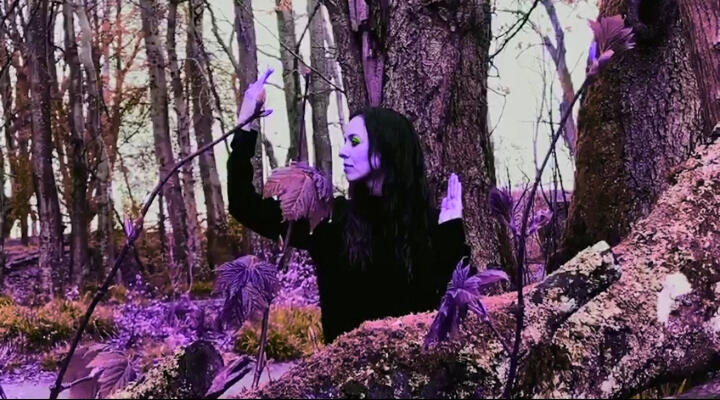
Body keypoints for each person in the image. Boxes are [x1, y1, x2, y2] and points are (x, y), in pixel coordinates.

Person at [227, 69, 470, 343]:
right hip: (346, 370)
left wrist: (451, 234)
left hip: (415, 368)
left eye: (354, 141)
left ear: (387, 150)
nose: (343, 151)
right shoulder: (329, 219)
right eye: (344, 141)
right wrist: (246, 124)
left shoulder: (430, 226)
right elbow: (244, 205)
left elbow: (454, 309)